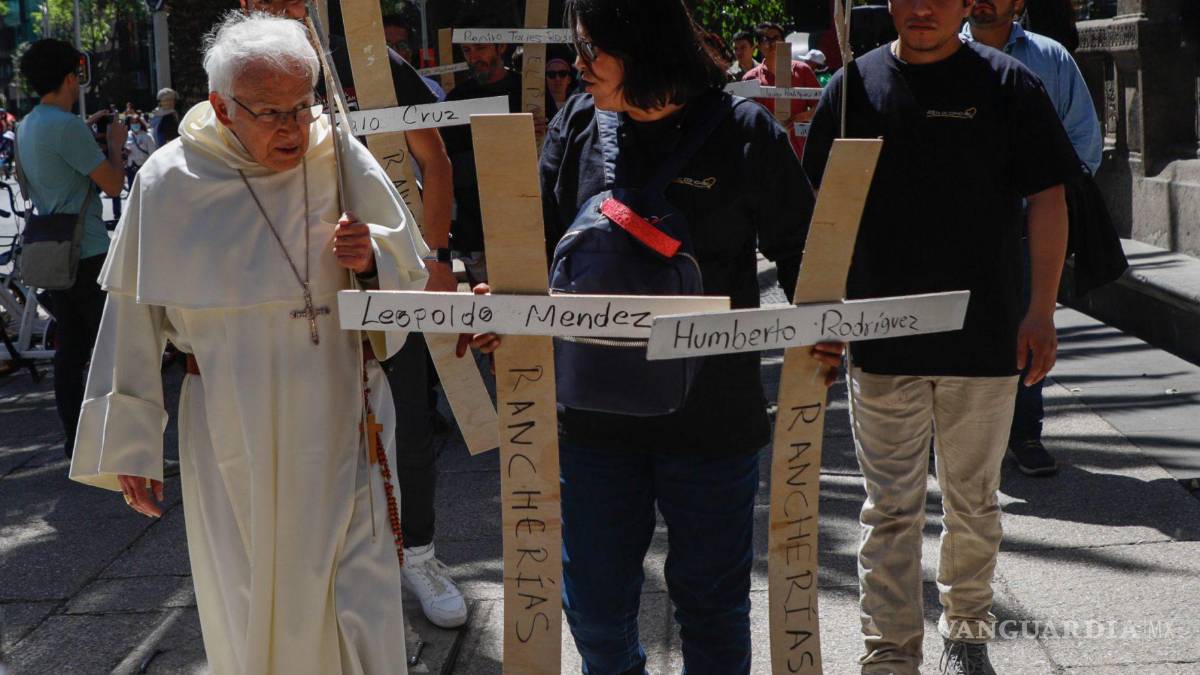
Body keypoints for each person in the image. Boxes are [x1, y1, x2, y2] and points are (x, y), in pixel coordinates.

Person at [68, 13, 497, 673]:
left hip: (342, 405)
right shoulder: (168, 180)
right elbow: (131, 320)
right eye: (270, 112)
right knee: (249, 589)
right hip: (230, 418)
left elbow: (407, 272)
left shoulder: (339, 155)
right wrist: (130, 442)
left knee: (357, 592)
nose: (293, 128)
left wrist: (370, 259)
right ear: (222, 107)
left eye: (303, 106)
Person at [535, 0, 816, 671]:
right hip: (594, 421)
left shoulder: (744, 130)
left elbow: (804, 253)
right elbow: (533, 246)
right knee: (593, 611)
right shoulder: (577, 122)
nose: (576, 65)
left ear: (644, 47)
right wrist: (498, 309)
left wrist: (826, 331)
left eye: (590, 49)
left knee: (713, 609)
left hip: (711, 421)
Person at [802, 0, 1079, 672]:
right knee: (889, 510)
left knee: (973, 503)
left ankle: (967, 634)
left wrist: (1041, 310)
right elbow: (818, 210)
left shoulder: (1008, 83)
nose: (922, 7)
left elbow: (1049, 198)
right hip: (880, 340)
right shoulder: (852, 89)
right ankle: (889, 652)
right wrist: (821, 315)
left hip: (983, 337)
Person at [243, 0, 468, 630]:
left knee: (410, 421)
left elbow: (435, 159)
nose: (281, 7)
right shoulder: (238, 76)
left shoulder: (367, 61)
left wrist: (435, 257)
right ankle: (326, 568)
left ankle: (418, 555)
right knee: (308, 431)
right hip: (291, 290)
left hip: (385, 272)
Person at [965, 0, 1103, 477]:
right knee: (957, 328)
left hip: (1029, 225)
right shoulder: (939, 54)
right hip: (957, 229)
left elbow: (1084, 141)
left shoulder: (1050, 58)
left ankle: (1024, 433)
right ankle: (958, 435)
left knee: (1029, 324)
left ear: (1018, 3)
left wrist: (1046, 197)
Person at [16, 39, 127, 458]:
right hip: (88, 251)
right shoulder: (67, 127)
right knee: (115, 351)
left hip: (53, 253)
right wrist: (114, 144)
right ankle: (122, 447)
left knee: (71, 351)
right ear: (69, 78)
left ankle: (77, 440)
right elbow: (112, 184)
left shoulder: (28, 125)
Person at [442, 12, 548, 285]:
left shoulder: (530, 93)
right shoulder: (456, 100)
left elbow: (551, 151)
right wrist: (513, 136)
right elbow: (455, 165)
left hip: (528, 220)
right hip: (477, 227)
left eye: (480, 47)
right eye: (467, 50)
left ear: (501, 47)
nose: (473, 56)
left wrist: (542, 132)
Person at [742, 22, 820, 158]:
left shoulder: (802, 70)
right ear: (759, 46)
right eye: (766, 39)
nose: (771, 43)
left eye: (775, 38)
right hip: (766, 153)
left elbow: (821, 105)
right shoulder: (750, 78)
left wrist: (801, 117)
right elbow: (746, 117)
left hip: (799, 152)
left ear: (784, 41)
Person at [123, 114, 158, 189]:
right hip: (131, 166)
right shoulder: (127, 135)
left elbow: (153, 154)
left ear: (140, 123)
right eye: (133, 123)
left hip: (143, 166)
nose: (134, 125)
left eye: (136, 122)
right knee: (132, 189)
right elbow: (123, 148)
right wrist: (125, 151)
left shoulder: (147, 136)